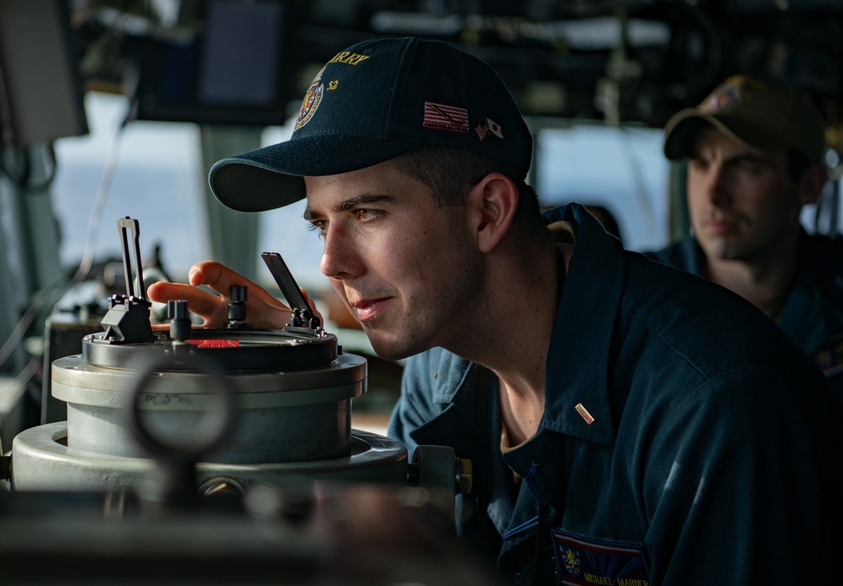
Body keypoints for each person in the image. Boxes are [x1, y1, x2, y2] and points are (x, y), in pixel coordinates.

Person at [147, 37, 843, 585]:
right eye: (319, 223)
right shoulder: (441, 371)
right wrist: (294, 385)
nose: (330, 262)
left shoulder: (718, 409)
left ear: (489, 212)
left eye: (366, 212)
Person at [645, 75, 843, 369]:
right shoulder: (640, 295)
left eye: (744, 166)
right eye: (700, 164)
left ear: (809, 185)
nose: (713, 194)